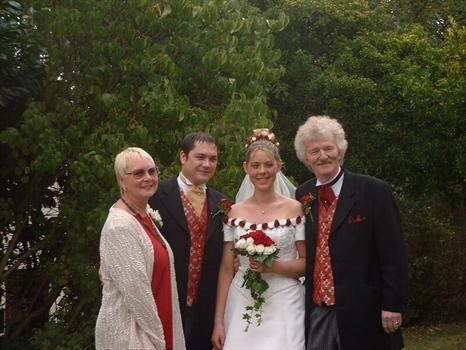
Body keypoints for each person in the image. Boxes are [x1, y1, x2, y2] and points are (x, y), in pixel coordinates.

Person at [294, 115, 408, 350]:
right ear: (306, 158)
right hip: (319, 310)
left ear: (340, 151)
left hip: (366, 310)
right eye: (315, 151)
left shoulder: (374, 191)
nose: (323, 155)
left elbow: (393, 254)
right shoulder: (302, 195)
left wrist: (392, 305)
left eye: (328, 148)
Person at [211, 129, 306, 350]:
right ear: (246, 168)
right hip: (241, 299)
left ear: (279, 166)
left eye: (268, 165)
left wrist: (272, 266)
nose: (262, 171)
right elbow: (226, 269)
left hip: (285, 301)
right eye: (255, 166)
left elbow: (305, 263)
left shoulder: (296, 209)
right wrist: (218, 321)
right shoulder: (232, 213)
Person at [95, 147, 185, 350]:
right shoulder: (120, 226)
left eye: (152, 171)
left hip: (157, 323)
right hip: (132, 334)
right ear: (121, 181)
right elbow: (137, 294)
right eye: (138, 173)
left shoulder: (144, 216)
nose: (148, 177)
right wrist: (159, 341)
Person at [149, 132, 227, 350]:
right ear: (183, 157)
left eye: (212, 159)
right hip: (164, 303)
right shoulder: (155, 194)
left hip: (205, 310)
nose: (207, 164)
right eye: (200, 157)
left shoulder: (223, 203)